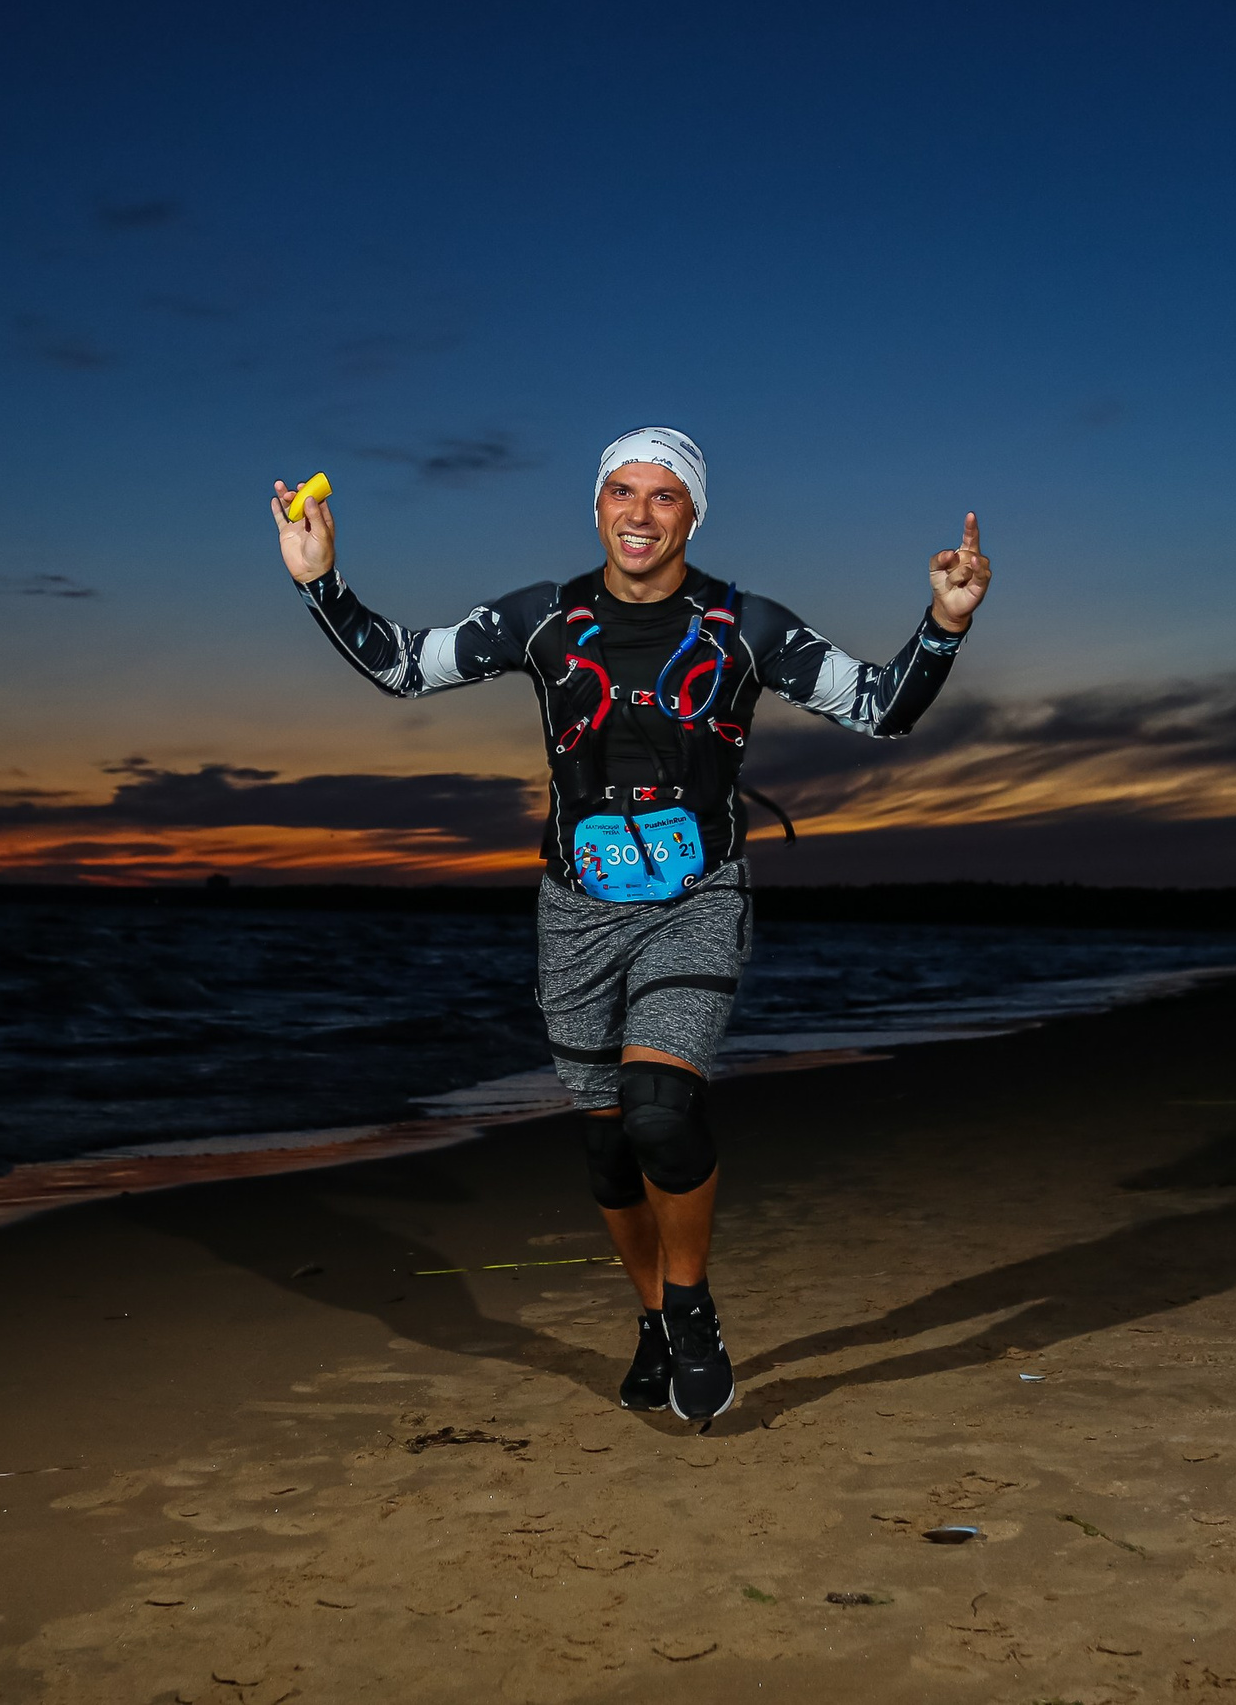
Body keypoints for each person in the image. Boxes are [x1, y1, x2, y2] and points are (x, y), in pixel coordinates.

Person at [270, 428, 990, 1423]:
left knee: (660, 1108)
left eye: (662, 496)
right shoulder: (540, 620)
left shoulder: (747, 627)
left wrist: (944, 623)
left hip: (697, 899)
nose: (639, 513)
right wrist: (322, 581)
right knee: (607, 1142)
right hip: (573, 910)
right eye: (621, 492)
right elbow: (406, 668)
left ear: (692, 514)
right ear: (597, 506)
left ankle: (691, 1315)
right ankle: (650, 1317)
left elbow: (878, 707)